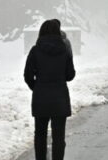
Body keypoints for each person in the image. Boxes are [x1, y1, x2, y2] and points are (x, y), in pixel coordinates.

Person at [24, 19, 76, 160]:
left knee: (40, 135)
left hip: (41, 99)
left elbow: (27, 75)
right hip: (60, 99)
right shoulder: (64, 50)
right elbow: (70, 75)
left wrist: (37, 88)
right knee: (58, 138)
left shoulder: (35, 51)